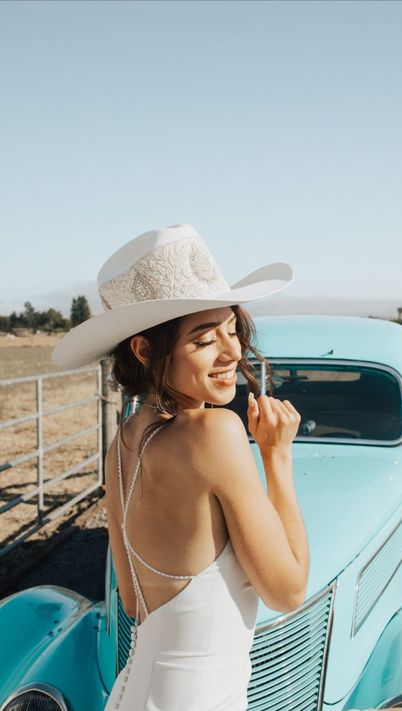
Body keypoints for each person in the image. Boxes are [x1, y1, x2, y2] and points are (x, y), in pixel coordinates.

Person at [52, 223, 309, 710]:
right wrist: (277, 456)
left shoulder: (121, 447)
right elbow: (289, 591)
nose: (232, 351)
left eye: (232, 330)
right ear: (145, 350)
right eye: (204, 339)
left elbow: (132, 601)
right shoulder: (214, 434)